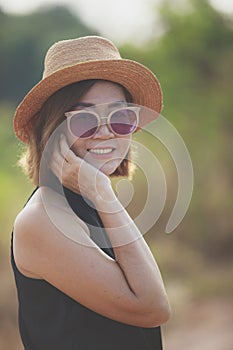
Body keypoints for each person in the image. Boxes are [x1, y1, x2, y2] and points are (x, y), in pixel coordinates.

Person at [11, 36, 171, 350]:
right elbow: (154, 307)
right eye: (84, 119)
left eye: (121, 117)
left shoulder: (90, 201)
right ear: (52, 129)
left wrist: (100, 195)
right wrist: (105, 195)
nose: (106, 132)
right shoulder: (43, 217)